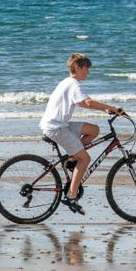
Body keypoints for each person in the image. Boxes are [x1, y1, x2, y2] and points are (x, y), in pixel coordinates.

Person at [39, 53, 124, 215]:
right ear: (78, 67)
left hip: (59, 124)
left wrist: (105, 108)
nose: (88, 72)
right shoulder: (73, 84)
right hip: (56, 128)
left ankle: (71, 160)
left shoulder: (69, 82)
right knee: (85, 159)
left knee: (94, 130)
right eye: (87, 69)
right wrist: (112, 108)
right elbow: (87, 103)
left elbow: (86, 99)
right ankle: (71, 196)